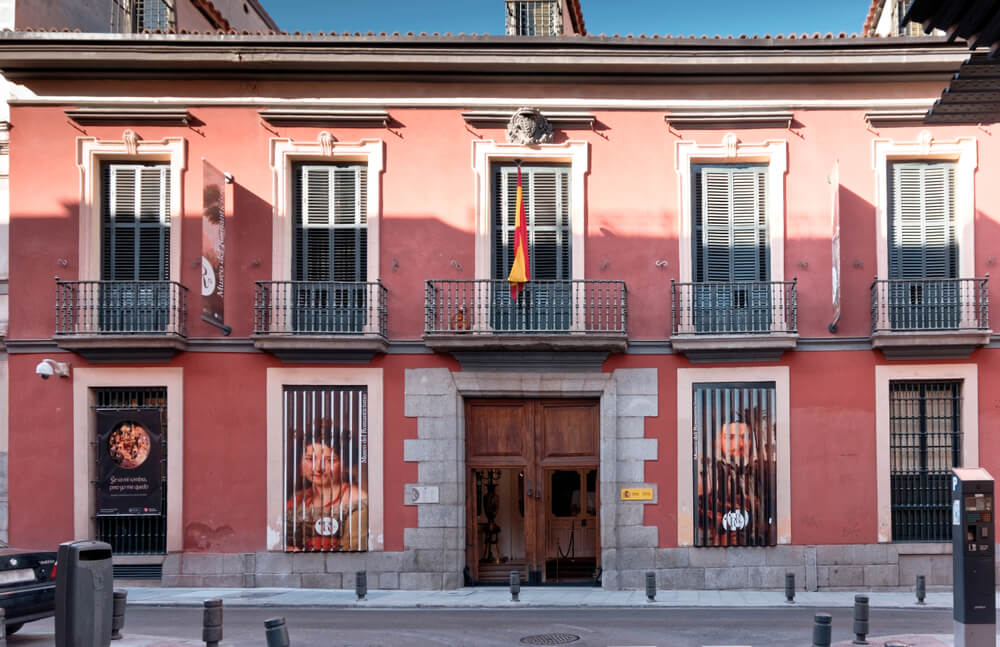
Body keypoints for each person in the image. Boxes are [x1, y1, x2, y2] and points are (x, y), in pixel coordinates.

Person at [285, 426, 368, 552]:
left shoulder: (358, 501)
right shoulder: (298, 500)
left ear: (345, 465)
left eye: (330, 460)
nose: (318, 468)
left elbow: (353, 553)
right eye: (310, 459)